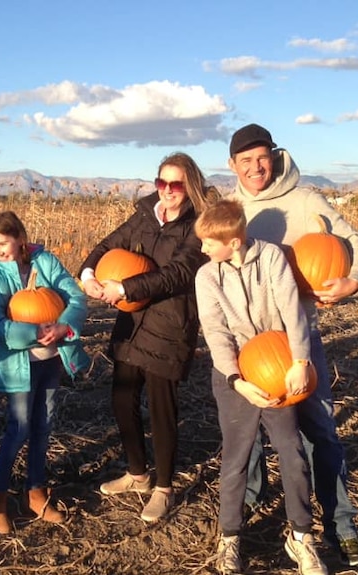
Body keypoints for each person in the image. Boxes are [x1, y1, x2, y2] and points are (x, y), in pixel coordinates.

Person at [226, 123, 358, 567]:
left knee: (320, 430)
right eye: (245, 161)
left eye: (262, 157)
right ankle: (250, 501)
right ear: (232, 165)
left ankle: (340, 523)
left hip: (298, 338)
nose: (256, 168)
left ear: (275, 156)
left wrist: (353, 279)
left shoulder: (307, 200)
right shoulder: (231, 207)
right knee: (247, 435)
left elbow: (357, 242)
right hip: (249, 341)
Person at [80, 152, 217, 523]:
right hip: (131, 322)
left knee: (162, 410)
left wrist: (124, 287)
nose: (168, 191)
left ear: (189, 186)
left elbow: (179, 272)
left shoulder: (198, 225)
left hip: (170, 325)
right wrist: (89, 274)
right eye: (162, 182)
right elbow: (106, 245)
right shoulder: (144, 215)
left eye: (176, 184)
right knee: (122, 399)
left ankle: (164, 487)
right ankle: (138, 474)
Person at [194, 199, 328, 575]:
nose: (202, 248)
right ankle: (230, 538)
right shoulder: (207, 276)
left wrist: (301, 361)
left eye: (208, 242)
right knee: (236, 459)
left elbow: (292, 310)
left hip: (278, 363)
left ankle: (302, 536)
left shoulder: (270, 257)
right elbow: (216, 331)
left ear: (234, 242)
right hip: (235, 372)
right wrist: (237, 381)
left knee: (291, 451)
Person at [0, 210, 90, 534]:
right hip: (18, 367)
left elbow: (74, 295)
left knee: (44, 426)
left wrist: (64, 325)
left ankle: (36, 492)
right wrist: (33, 332)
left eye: (4, 243)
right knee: (19, 427)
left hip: (52, 361)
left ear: (20, 239)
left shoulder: (46, 263)